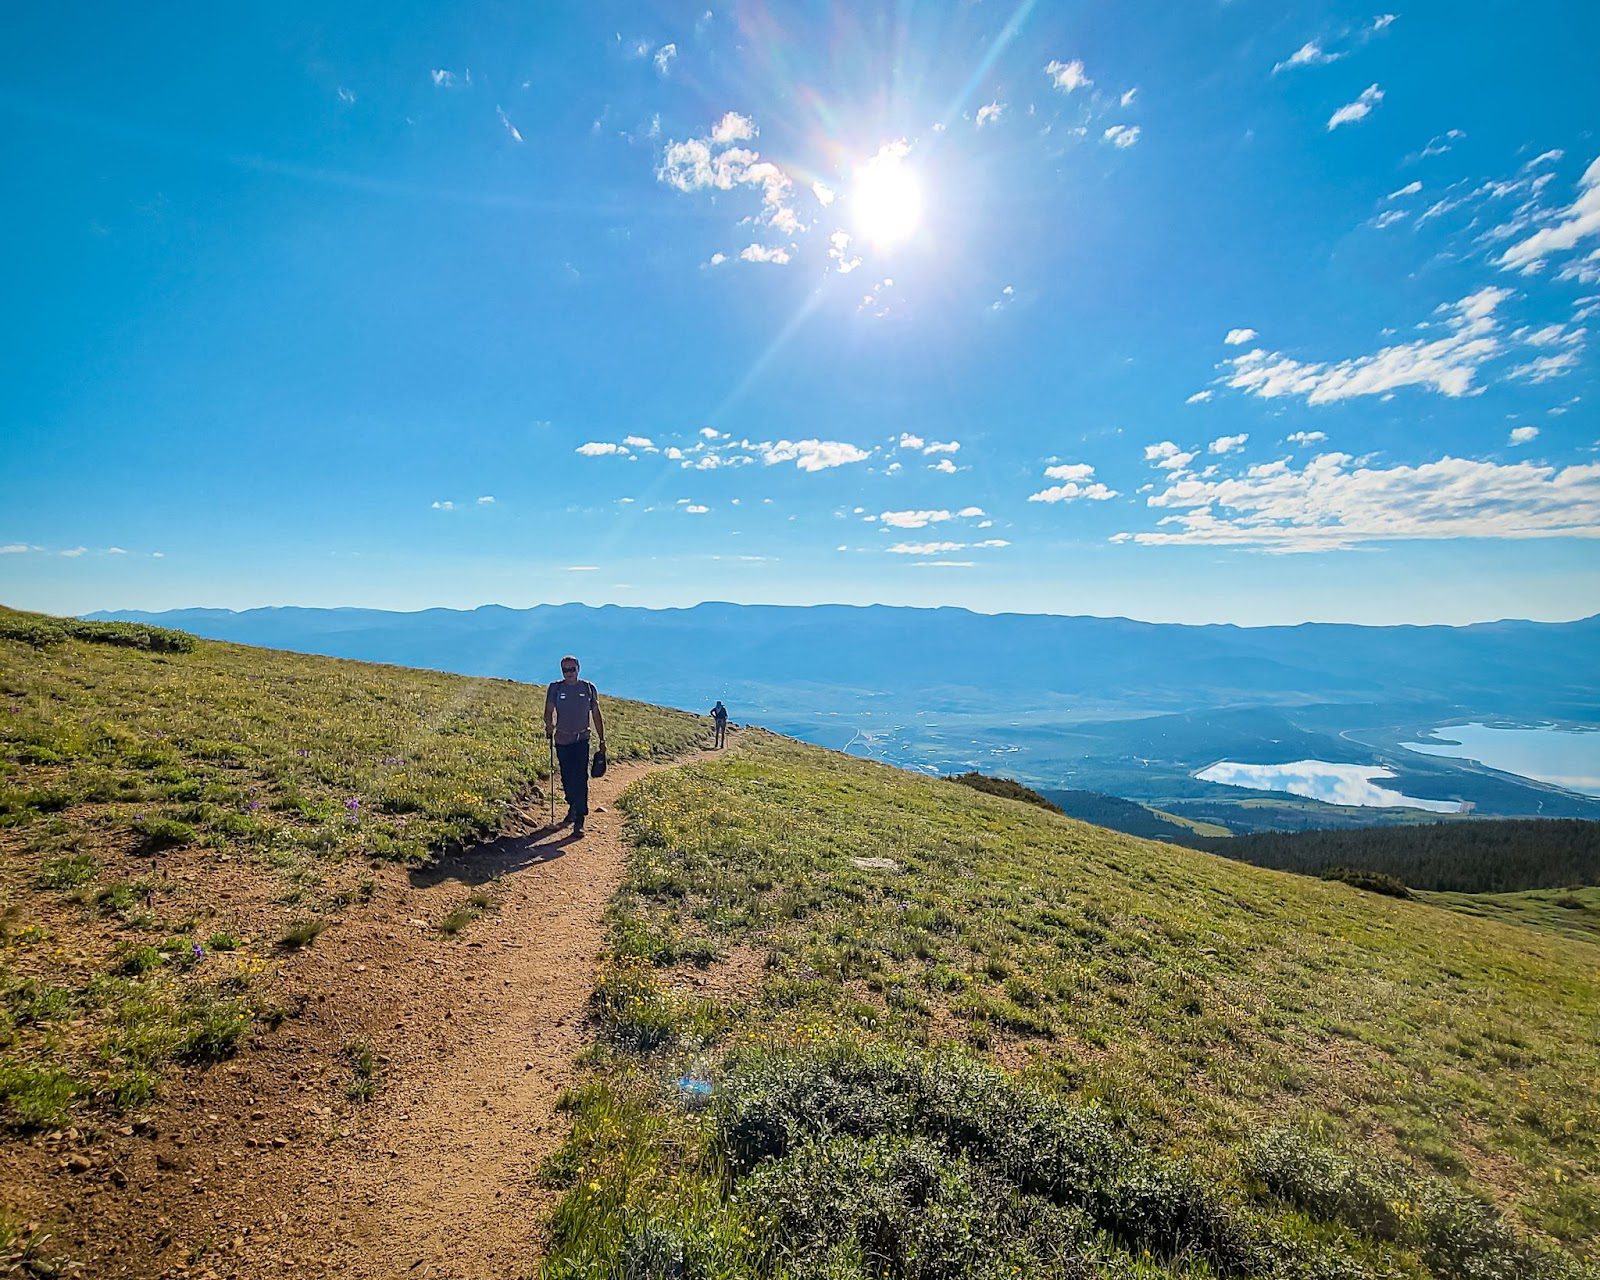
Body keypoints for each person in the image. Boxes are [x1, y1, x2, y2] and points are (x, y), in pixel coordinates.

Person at [544, 655, 605, 836]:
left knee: (580, 778)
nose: (569, 673)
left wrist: (602, 740)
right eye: (565, 670)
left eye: (572, 669)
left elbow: (596, 715)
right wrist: (549, 724)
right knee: (567, 778)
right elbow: (548, 711)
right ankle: (572, 805)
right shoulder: (555, 688)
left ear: (578, 668)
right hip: (562, 740)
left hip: (581, 739)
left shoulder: (588, 688)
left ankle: (580, 819)